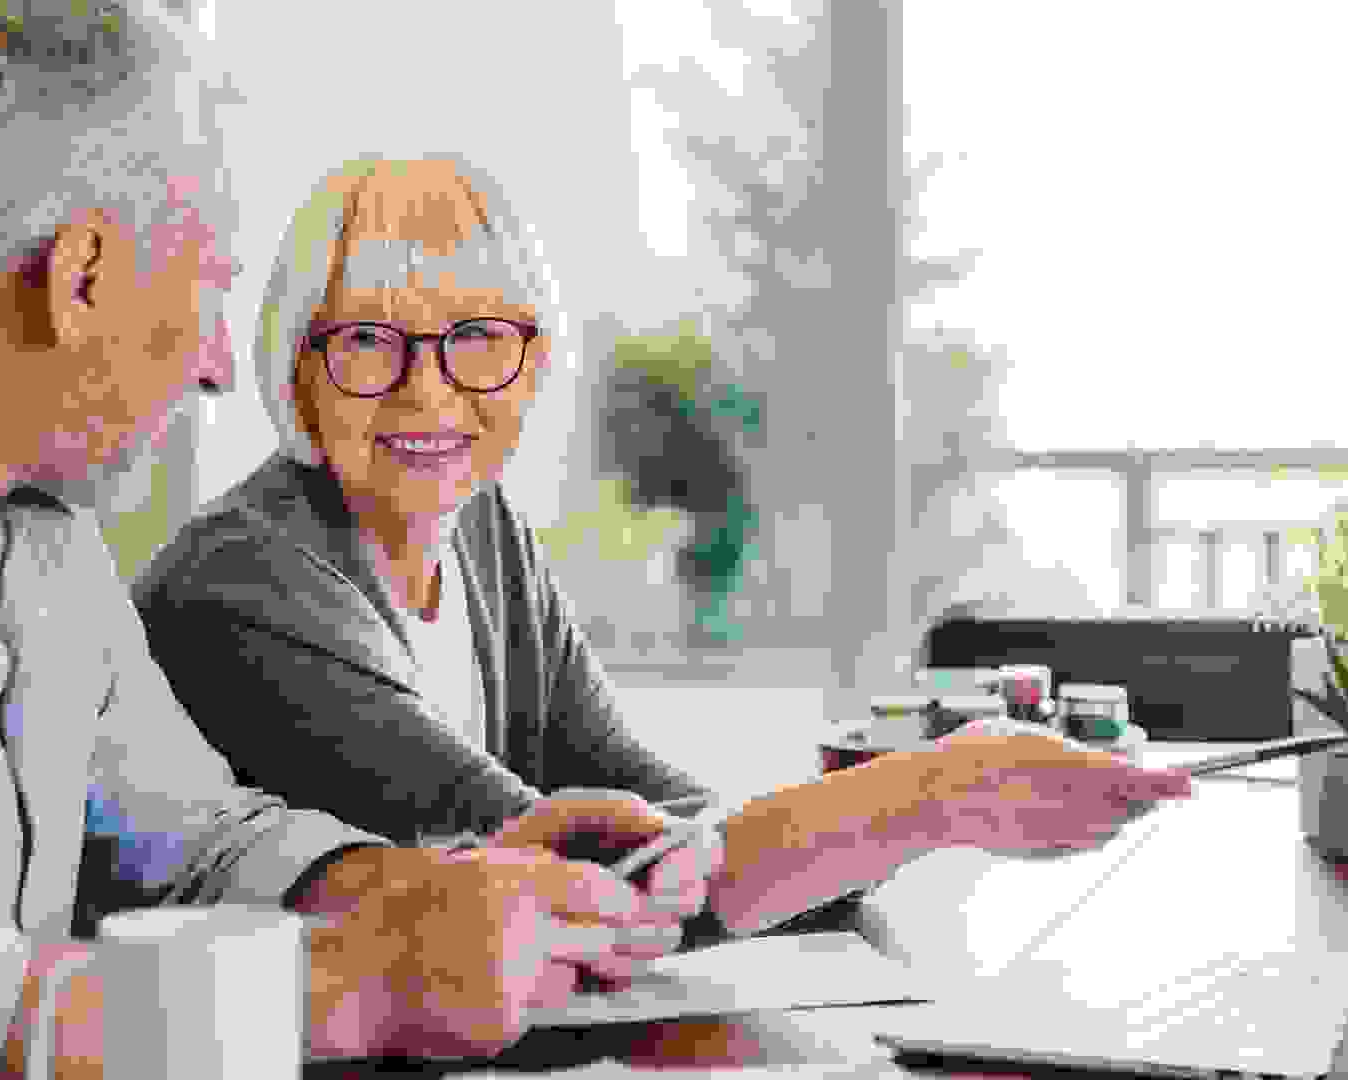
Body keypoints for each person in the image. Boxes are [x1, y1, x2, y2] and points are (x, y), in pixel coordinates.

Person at [0, 8, 679, 1076]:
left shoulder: (42, 540)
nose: (222, 364)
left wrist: (431, 890)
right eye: (211, 291)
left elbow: (198, 842)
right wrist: (348, 987)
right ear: (81, 277)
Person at [132, 155, 1197, 947]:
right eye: (367, 339)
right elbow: (576, 885)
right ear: (295, 362)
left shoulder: (485, 535)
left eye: (476, 337)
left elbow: (662, 816)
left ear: (532, 357)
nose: (428, 390)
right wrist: (933, 796)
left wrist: (898, 815)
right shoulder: (245, 585)